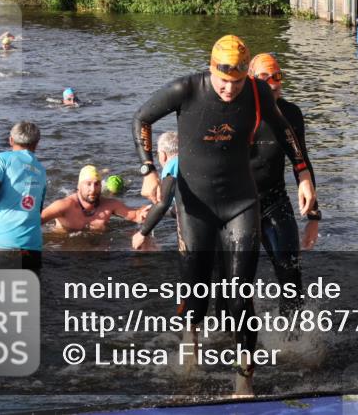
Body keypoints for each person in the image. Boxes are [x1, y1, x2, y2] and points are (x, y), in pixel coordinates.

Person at [132, 35, 316, 396]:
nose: (230, 89)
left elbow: (286, 131)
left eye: (237, 82)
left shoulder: (258, 93)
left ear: (247, 75)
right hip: (195, 204)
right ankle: (191, 344)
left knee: (239, 294)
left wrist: (304, 174)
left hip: (241, 202)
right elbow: (141, 117)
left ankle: (243, 382)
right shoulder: (185, 89)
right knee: (196, 287)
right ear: (211, 69)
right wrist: (148, 169)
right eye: (223, 81)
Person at [248, 53, 321, 315]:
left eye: (277, 76)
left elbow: (302, 161)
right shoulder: (237, 112)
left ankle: (293, 342)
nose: (274, 83)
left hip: (275, 200)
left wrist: (313, 217)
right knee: (234, 280)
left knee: (291, 276)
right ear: (251, 81)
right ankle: (238, 340)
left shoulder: (291, 113)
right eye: (266, 78)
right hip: (239, 206)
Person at [0, 121, 46, 274]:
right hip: (31, 245)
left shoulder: (1, 159)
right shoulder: (41, 170)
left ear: (11, 140)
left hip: (0, 243)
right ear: (36, 144)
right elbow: (38, 209)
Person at [41, 166, 148, 232]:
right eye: (88, 184)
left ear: (101, 186)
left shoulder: (109, 205)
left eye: (97, 184)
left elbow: (135, 216)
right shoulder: (64, 206)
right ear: (78, 186)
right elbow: (34, 221)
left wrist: (143, 214)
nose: (93, 189)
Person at [131, 131, 179, 249]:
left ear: (163, 155)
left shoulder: (173, 165)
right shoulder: (191, 161)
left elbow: (163, 203)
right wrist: (153, 211)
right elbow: (180, 208)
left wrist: (142, 233)